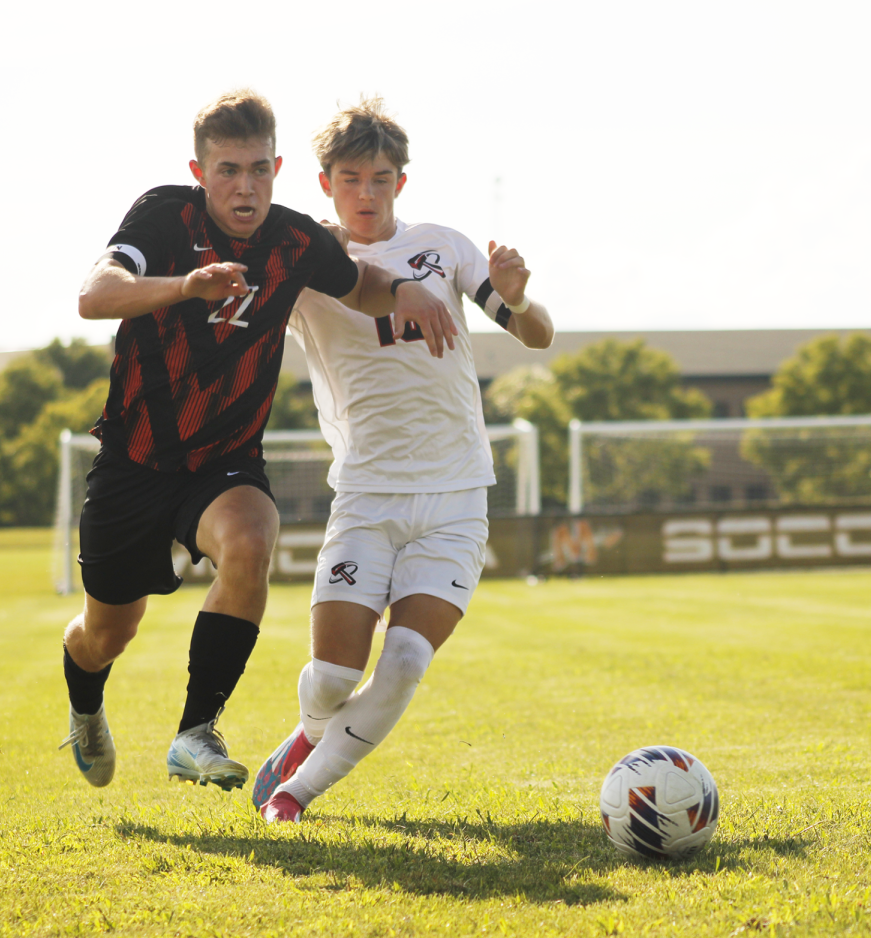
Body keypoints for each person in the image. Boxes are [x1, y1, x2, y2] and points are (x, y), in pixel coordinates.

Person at [61, 89, 457, 792]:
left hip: (225, 461)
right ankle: (86, 708)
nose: (244, 187)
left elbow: (355, 278)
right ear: (199, 169)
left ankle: (195, 731)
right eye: (227, 171)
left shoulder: (296, 240)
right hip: (135, 461)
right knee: (103, 636)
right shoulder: (164, 216)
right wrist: (187, 285)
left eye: (257, 170)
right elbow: (95, 295)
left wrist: (404, 292)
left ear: (276, 167)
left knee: (251, 539)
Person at [251, 97, 555, 822]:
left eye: (381, 178)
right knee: (329, 676)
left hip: (456, 495)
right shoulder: (307, 262)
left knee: (408, 659)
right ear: (325, 183)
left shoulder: (442, 245)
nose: (366, 193)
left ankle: (295, 794)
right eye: (351, 178)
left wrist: (519, 297)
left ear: (400, 183)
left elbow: (535, 335)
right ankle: (311, 732)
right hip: (366, 495)